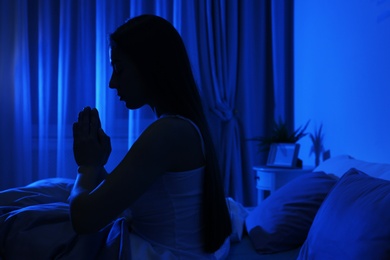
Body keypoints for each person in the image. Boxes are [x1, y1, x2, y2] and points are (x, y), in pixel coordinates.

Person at [69, 14, 232, 259]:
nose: (112, 83)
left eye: (119, 69)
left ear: (150, 67)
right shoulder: (179, 127)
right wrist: (99, 166)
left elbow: (84, 219)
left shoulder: (169, 133)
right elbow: (135, 200)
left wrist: (87, 166)